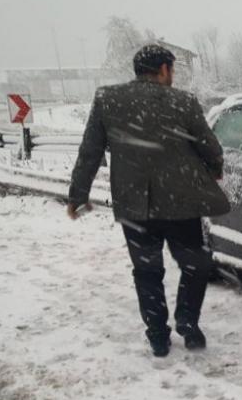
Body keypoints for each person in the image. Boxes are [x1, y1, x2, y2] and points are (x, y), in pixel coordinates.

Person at [67, 44, 230, 357]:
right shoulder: (183, 102)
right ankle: (188, 323)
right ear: (165, 69)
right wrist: (215, 169)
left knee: (147, 271)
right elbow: (210, 147)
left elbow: (90, 151)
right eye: (172, 70)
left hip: (134, 207)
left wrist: (78, 195)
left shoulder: (107, 99)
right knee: (196, 264)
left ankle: (158, 335)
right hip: (181, 206)